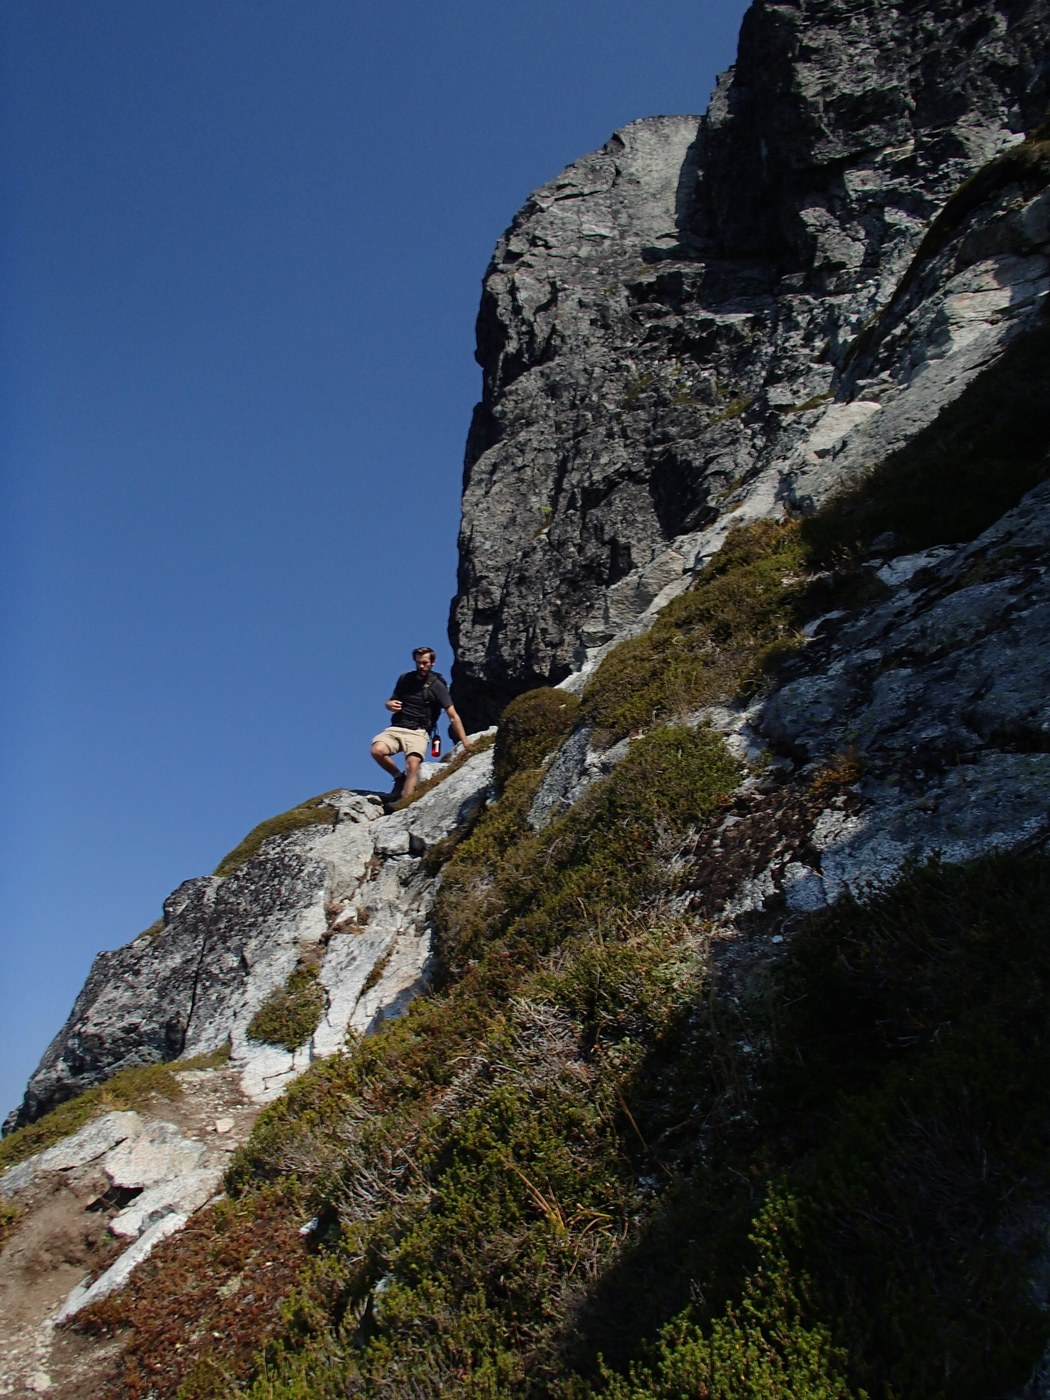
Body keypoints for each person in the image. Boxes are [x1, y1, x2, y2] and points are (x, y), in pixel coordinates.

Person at [371, 647, 472, 804]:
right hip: (398, 726)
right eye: (418, 663)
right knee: (377, 750)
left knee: (412, 765)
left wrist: (466, 743)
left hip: (419, 731)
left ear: (433, 662)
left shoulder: (437, 685)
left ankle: (405, 803)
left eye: (425, 663)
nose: (421, 666)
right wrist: (388, 704)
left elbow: (452, 715)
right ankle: (399, 777)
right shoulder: (405, 679)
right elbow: (392, 700)